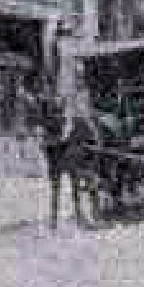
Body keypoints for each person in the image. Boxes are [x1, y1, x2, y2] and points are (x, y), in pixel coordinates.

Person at [62, 94, 102, 227]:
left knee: (91, 188)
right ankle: (81, 215)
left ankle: (94, 214)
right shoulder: (73, 126)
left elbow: (97, 143)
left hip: (87, 161)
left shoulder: (90, 124)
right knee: (80, 188)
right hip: (78, 161)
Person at [39, 93, 68, 228]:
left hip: (57, 150)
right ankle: (54, 217)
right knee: (55, 186)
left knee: (55, 187)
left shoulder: (56, 119)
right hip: (56, 151)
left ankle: (54, 217)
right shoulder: (57, 119)